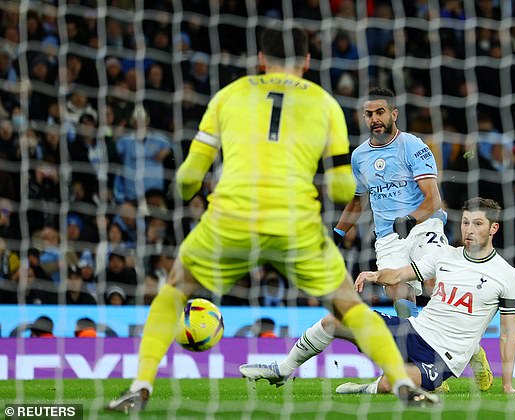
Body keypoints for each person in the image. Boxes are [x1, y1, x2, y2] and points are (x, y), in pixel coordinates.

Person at [107, 26, 439, 412]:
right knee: (349, 305)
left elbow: (186, 179)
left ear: (261, 60)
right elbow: (336, 190)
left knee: (174, 290)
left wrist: (183, 194)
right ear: (307, 62)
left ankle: (140, 386)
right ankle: (402, 383)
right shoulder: (324, 104)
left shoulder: (227, 96)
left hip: (231, 217)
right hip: (294, 223)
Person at [240, 197, 515, 395]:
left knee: (393, 384)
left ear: (493, 228)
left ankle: (367, 389)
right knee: (335, 320)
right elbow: (402, 274)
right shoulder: (444, 256)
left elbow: (508, 333)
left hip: (444, 358)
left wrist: (507, 384)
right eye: (466, 223)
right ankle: (283, 368)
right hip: (413, 330)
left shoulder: (506, 275)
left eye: (478, 225)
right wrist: (375, 275)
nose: (469, 230)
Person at [332, 87, 492, 392]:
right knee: (399, 295)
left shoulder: (413, 147)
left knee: (436, 287)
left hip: (423, 225)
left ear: (393, 114)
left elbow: (434, 199)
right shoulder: (360, 156)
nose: (375, 119)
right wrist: (338, 233)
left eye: (380, 112)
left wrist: (410, 220)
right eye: (369, 114)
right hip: (388, 236)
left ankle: (473, 352)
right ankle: (426, 363)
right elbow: (357, 202)